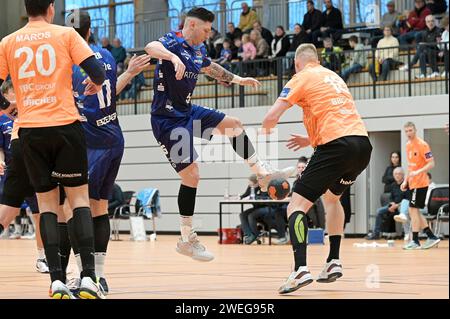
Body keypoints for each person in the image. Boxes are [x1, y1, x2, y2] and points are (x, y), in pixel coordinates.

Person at [144, 7, 294, 262]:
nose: (208, 34)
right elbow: (150, 47)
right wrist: (172, 58)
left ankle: (262, 173)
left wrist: (239, 79)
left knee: (234, 124)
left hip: (187, 112)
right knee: (192, 176)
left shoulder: (199, 50)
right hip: (167, 120)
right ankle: (186, 239)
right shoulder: (172, 41)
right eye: (205, 30)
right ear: (191, 25)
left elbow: (211, 68)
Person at [0, 0, 107, 299]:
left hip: (30, 131)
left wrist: (9, 108)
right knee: (78, 201)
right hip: (65, 126)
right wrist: (95, 84)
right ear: (50, 8)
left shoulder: (8, 42)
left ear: (26, 9)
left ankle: (57, 281)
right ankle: (88, 278)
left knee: (47, 205)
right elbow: (96, 71)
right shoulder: (65, 34)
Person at [261, 43, 372, 294]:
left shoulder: (301, 76)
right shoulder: (334, 77)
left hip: (334, 146)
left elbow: (272, 115)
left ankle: (300, 269)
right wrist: (309, 140)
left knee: (296, 206)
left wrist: (265, 129)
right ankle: (333, 261)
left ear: (297, 63)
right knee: (333, 200)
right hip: (361, 145)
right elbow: (337, 118)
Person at [69, 10, 151, 295]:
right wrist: (129, 71)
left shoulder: (69, 64)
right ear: (90, 32)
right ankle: (100, 276)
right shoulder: (105, 55)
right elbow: (110, 90)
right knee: (99, 206)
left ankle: (83, 275)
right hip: (115, 138)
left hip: (91, 144)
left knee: (74, 208)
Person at [0, 81, 49, 273]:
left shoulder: (31, 109)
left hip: (36, 168)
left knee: (40, 215)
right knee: (5, 216)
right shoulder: (3, 118)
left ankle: (42, 257)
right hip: (16, 169)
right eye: (11, 94)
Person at [400, 122, 440, 250]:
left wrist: (418, 172)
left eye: (410, 130)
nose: (408, 133)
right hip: (412, 183)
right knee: (415, 211)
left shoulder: (423, 145)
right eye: (406, 131)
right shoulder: (407, 145)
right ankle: (431, 236)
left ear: (415, 130)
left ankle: (416, 240)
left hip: (421, 183)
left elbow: (431, 163)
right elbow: (410, 166)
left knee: (413, 210)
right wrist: (405, 181)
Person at [366, 167, 410, 240]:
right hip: (393, 206)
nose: (397, 175)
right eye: (395, 174)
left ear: (403, 175)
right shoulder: (393, 185)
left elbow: (407, 199)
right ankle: (376, 234)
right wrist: (391, 204)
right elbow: (391, 197)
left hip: (402, 206)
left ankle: (406, 233)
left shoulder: (406, 185)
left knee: (403, 210)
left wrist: (397, 205)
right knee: (379, 211)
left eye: (399, 174)